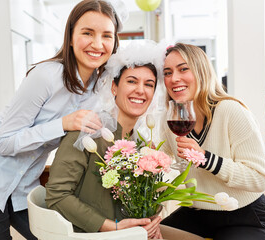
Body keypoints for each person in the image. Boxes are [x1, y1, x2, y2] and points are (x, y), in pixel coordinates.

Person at [0, 0, 127, 239]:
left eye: (107, 35)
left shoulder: (98, 91)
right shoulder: (46, 76)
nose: (97, 43)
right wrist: (62, 124)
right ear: (71, 37)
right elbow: (4, 143)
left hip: (22, 186)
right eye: (87, 33)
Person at [45, 40, 205, 240]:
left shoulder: (143, 143)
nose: (140, 90)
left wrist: (152, 221)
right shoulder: (86, 131)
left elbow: (138, 199)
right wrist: (112, 227)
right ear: (114, 87)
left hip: (134, 233)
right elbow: (57, 195)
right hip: (93, 235)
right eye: (131, 81)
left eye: (149, 85)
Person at [159, 43, 265, 240]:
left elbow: (260, 179)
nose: (174, 79)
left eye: (183, 69)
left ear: (201, 71)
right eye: (167, 72)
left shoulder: (231, 111)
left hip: (244, 216)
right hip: (197, 214)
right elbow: (163, 160)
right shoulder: (171, 120)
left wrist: (206, 159)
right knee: (146, 234)